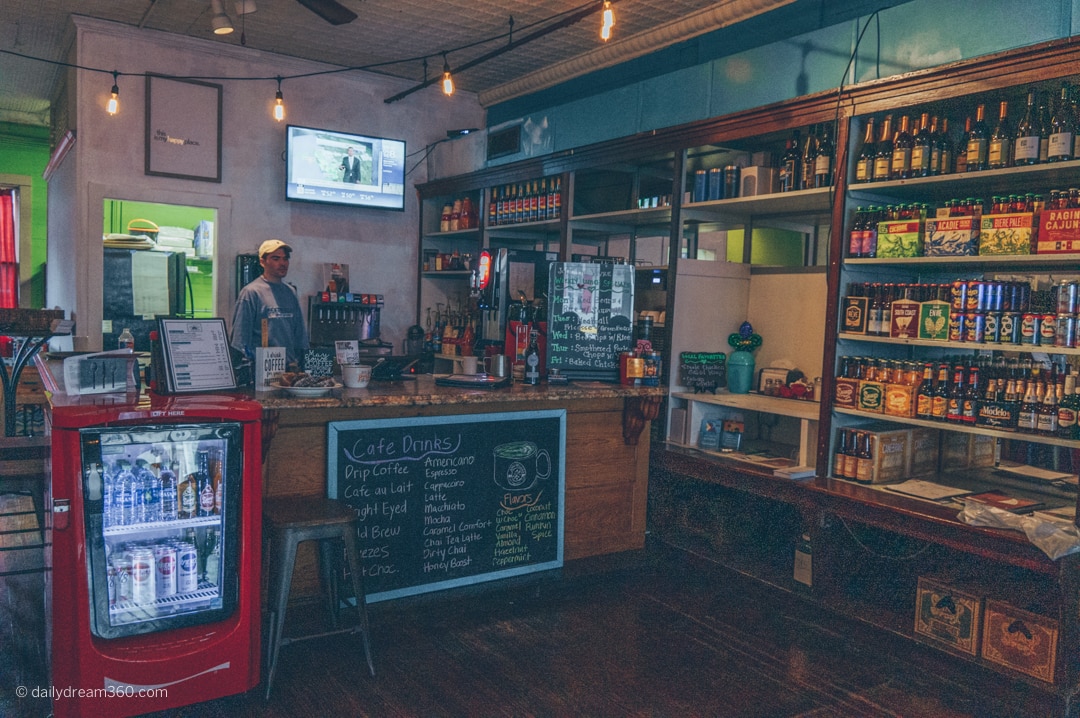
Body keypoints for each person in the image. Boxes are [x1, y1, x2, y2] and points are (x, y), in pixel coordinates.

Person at [230, 239, 309, 368]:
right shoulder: (251, 293)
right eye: (276, 259)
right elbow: (240, 341)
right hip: (261, 372)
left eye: (285, 259)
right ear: (262, 262)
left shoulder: (290, 292)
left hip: (288, 372)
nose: (282, 263)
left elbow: (300, 336)